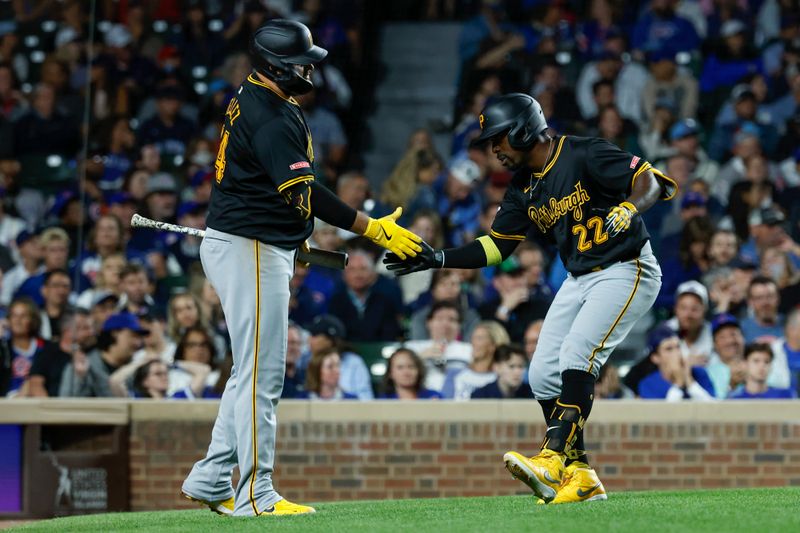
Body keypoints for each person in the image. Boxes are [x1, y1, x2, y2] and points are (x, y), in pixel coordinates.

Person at [385, 93, 677, 505]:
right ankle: (581, 474)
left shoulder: (581, 152)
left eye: (498, 139)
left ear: (522, 129)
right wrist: (438, 258)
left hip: (627, 266)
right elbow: (498, 246)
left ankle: (552, 456)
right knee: (541, 374)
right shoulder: (524, 187)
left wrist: (630, 207)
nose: (495, 150)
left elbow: (652, 181)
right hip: (580, 278)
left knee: (577, 355)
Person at [181, 20, 422, 518]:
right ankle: (255, 493)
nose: (310, 67)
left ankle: (210, 476)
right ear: (275, 65)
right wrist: (370, 227)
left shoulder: (259, 96)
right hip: (248, 247)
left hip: (252, 243)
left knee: (249, 372)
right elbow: (305, 196)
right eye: (302, 60)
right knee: (262, 375)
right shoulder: (269, 114)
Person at [637, 325, 715, 401]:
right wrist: (679, 384)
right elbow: (664, 413)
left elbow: (714, 410)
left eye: (678, 346)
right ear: (655, 357)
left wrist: (689, 381)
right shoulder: (648, 384)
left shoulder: (699, 373)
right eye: (669, 349)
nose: (677, 353)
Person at [441, 320, 508, 400]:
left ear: (493, 345)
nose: (473, 342)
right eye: (473, 338)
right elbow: (444, 405)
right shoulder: (454, 374)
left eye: (479, 338)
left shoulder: (503, 378)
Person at [727, 343, 795, 399]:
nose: (762, 366)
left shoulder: (785, 395)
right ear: (744, 364)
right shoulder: (735, 399)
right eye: (756, 361)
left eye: (767, 362)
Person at [705, 314, 746, 399]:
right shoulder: (707, 374)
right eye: (722, 337)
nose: (730, 341)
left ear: (743, 338)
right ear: (714, 344)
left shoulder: (760, 363)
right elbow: (711, 408)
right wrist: (732, 386)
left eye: (733, 334)